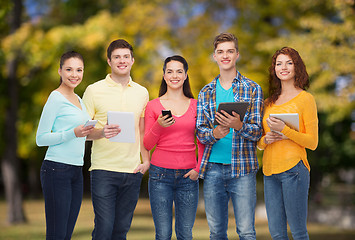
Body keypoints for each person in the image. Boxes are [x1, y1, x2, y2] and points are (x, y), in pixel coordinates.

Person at [196, 32, 264, 240]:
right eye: (220, 52)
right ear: (214, 56)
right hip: (213, 169)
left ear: (237, 55)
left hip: (243, 169)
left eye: (230, 51)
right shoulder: (205, 92)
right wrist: (214, 133)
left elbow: (258, 132)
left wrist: (239, 125)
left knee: (246, 231)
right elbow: (200, 132)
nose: (225, 55)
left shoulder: (252, 89)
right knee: (216, 233)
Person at [82, 39, 150, 240]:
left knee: (121, 231)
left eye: (126, 57)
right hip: (103, 170)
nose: (122, 61)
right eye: (117, 57)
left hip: (132, 171)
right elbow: (83, 132)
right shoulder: (93, 90)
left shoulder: (142, 92)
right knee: (104, 229)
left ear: (132, 60)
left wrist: (146, 161)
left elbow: (142, 130)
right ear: (109, 61)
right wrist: (102, 132)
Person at [257, 47, 318, 240]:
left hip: (294, 171)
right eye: (279, 63)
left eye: (289, 63)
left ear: (297, 67)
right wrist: (265, 140)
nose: (283, 67)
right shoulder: (268, 103)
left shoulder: (306, 99)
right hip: (269, 172)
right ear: (274, 69)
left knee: (298, 232)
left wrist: (285, 130)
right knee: (276, 234)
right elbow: (259, 142)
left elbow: (313, 142)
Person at [143, 55, 204, 240]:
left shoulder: (196, 105)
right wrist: (159, 125)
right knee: (163, 234)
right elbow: (147, 144)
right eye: (170, 71)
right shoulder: (152, 106)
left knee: (185, 234)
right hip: (160, 175)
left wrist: (198, 169)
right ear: (163, 75)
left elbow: (202, 141)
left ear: (185, 75)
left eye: (179, 71)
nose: (174, 75)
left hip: (188, 176)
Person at [36, 51, 94, 239]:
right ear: (60, 71)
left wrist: (103, 132)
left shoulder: (79, 100)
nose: (74, 74)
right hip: (56, 170)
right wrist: (72, 133)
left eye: (79, 70)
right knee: (57, 234)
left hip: (76, 171)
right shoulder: (55, 98)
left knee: (66, 234)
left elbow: (83, 134)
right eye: (69, 69)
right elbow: (41, 138)